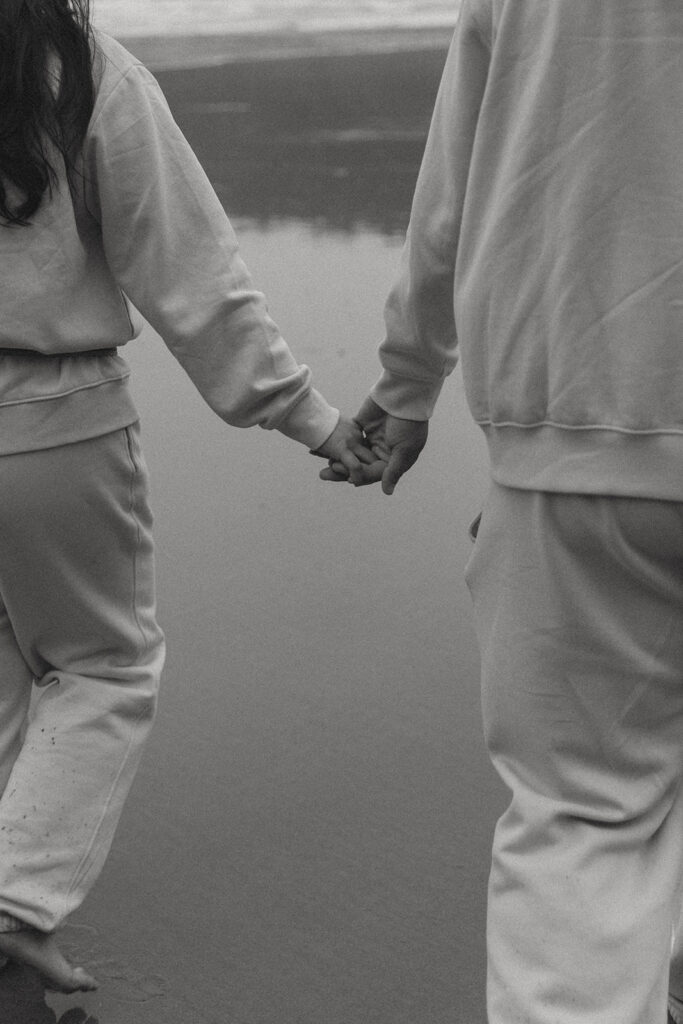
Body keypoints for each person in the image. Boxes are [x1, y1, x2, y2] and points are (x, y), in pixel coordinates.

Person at [0, 0, 372, 994]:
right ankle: (16, 903)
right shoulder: (78, 72)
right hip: (51, 421)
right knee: (105, 663)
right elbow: (194, 278)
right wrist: (311, 417)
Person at [324, 1, 683, 1022]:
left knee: (579, 813)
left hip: (573, 414)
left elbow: (453, 192)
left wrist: (405, 382)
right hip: (565, 433)